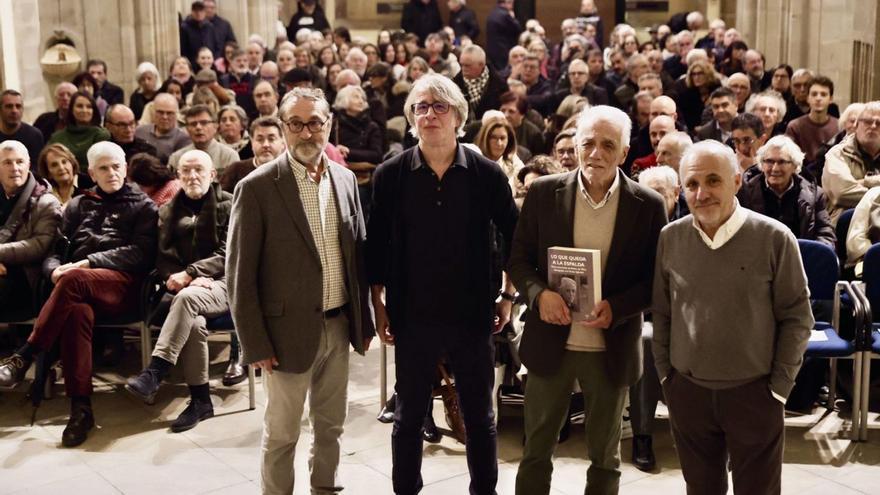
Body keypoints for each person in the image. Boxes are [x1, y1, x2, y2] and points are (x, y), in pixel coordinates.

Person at [367, 74, 518, 494]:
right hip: (412, 313)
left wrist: (507, 294)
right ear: (411, 119)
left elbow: (514, 236)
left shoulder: (486, 174)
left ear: (458, 117)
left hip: (472, 313)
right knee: (408, 416)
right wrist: (379, 306)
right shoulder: (390, 174)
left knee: (479, 416)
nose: (428, 114)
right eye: (420, 106)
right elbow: (375, 246)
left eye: (439, 106)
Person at [509, 105, 666, 494]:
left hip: (609, 348)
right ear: (576, 146)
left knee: (605, 458)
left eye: (607, 145)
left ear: (625, 153)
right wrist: (538, 294)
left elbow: (657, 279)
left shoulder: (647, 205)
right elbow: (518, 259)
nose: (595, 153)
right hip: (551, 342)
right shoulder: (545, 193)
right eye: (588, 143)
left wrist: (620, 306)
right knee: (535, 451)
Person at [227, 86, 374, 494]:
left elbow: (357, 255)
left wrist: (364, 320)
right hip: (283, 333)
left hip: (338, 324)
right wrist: (254, 344)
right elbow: (239, 276)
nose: (306, 133)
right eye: (296, 124)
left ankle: (324, 487)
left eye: (315, 123)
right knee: (282, 435)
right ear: (282, 127)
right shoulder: (257, 188)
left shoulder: (345, 180)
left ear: (329, 125)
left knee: (331, 426)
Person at [652, 139, 813, 494]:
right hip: (689, 392)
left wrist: (778, 389)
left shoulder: (774, 238)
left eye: (713, 181)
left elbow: (797, 318)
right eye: (692, 184)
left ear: (737, 181)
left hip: (754, 394)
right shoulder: (671, 238)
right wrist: (667, 377)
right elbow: (662, 313)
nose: (701, 193)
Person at [0, 141, 158, 447]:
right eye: (103, 168)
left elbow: (142, 253)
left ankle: (24, 356)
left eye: (116, 166)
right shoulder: (78, 204)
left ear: (125, 168)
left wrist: (85, 263)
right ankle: (81, 409)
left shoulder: (143, 206)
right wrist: (54, 269)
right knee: (76, 311)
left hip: (123, 287)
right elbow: (54, 251)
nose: (111, 173)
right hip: (77, 288)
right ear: (91, 173)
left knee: (75, 280)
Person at [125, 149, 231, 432]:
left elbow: (230, 252)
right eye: (186, 171)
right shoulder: (167, 211)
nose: (192, 176)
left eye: (199, 170)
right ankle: (201, 401)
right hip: (186, 289)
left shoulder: (231, 205)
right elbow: (162, 256)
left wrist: (194, 272)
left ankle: (156, 371)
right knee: (193, 321)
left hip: (224, 284)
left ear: (212, 175)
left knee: (186, 299)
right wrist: (180, 276)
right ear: (178, 175)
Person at [737, 135, 835, 247]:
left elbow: (825, 233)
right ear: (761, 165)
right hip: (758, 258)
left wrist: (814, 254)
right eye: (769, 161)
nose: (775, 169)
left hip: (801, 258)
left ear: (795, 165)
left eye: (782, 162)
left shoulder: (815, 195)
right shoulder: (744, 193)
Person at [0, 141, 62, 317]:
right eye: (7, 162)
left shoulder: (46, 202)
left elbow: (38, 246)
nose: (15, 168)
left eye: (20, 162)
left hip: (26, 280)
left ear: (29, 164)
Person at [822, 100, 880, 224]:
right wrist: (876, 181)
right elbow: (842, 194)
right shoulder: (838, 153)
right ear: (857, 125)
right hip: (846, 225)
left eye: (879, 123)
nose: (873, 126)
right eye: (868, 121)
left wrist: (864, 182)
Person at [220, 116, 287, 193]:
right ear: (252, 142)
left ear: (283, 143)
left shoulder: (291, 171)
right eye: (260, 139)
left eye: (271, 139)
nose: (265, 145)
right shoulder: (235, 170)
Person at [168, 105, 240, 175]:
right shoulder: (177, 159)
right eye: (193, 124)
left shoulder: (229, 157)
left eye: (204, 123)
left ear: (215, 126)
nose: (198, 127)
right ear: (187, 129)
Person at [47, 92, 111, 168]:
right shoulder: (57, 137)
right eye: (79, 106)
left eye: (89, 107)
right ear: (71, 109)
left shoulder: (101, 135)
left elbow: (101, 165)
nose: (84, 110)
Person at [785, 75, 839, 163]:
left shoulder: (839, 126)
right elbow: (789, 158)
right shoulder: (795, 126)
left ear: (831, 99)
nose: (818, 98)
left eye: (823, 94)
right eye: (814, 94)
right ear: (807, 98)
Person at [453, 45, 509, 124]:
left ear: (481, 65)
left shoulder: (500, 85)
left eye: (467, 66)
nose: (463, 69)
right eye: (461, 65)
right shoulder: (454, 85)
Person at [330, 86, 383, 165]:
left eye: (362, 98)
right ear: (344, 99)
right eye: (356, 97)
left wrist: (349, 151)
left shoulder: (371, 126)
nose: (361, 101)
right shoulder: (334, 125)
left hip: (363, 174)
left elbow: (377, 156)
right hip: (338, 171)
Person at [135, 93, 193, 164]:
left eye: (169, 113)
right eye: (160, 112)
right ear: (154, 112)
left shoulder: (183, 139)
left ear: (176, 114)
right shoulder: (140, 132)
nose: (165, 117)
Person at [474, 115, 523, 191]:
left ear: (509, 140)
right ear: (485, 138)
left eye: (502, 138)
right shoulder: (474, 159)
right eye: (493, 137)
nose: (499, 143)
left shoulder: (513, 162)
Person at [0, 90, 45, 170]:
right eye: (9, 106)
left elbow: (38, 169)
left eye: (18, 106)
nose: (14, 111)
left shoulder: (34, 135)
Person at [180, 1, 220, 69]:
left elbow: (216, 45)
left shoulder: (210, 27)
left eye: (201, 11)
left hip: (209, 64)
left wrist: (213, 59)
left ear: (204, 12)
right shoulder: (185, 28)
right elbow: (183, 49)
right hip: (192, 65)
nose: (198, 14)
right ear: (192, 12)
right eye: (196, 11)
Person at [486, 0, 522, 71]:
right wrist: (513, 18)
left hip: (492, 50)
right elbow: (518, 29)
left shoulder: (492, 13)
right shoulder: (505, 15)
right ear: (507, 2)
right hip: (503, 51)